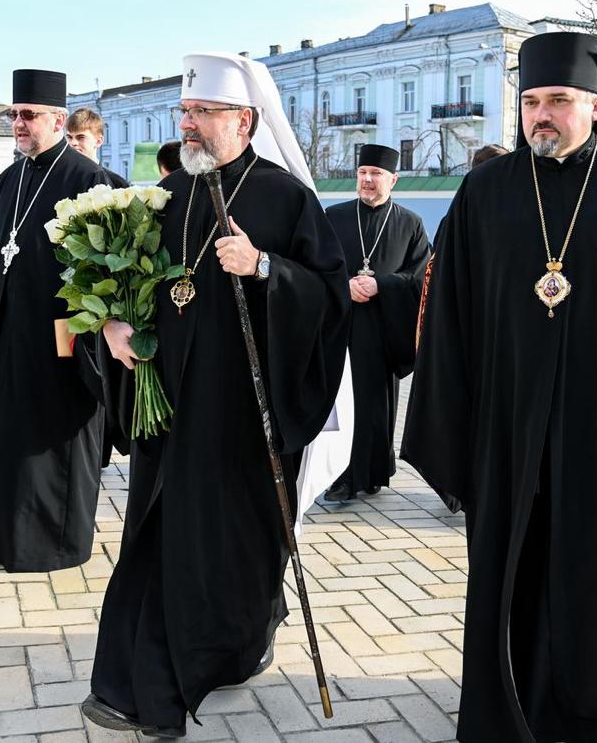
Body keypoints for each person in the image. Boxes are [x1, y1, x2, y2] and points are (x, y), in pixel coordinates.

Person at [402, 31, 597, 743]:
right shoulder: (486, 189)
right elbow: (449, 314)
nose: (541, 115)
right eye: (532, 102)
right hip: (510, 428)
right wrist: (450, 426)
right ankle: (503, 715)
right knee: (513, 572)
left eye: (559, 102)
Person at [81, 52, 350, 738]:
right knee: (159, 539)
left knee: (234, 548)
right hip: (169, 408)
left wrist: (265, 268)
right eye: (186, 112)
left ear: (246, 121)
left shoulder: (286, 198)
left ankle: (227, 648)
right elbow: (130, 287)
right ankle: (137, 682)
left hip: (239, 418)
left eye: (202, 113)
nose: (189, 125)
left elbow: (330, 297)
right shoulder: (170, 195)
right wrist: (115, 325)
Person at [0, 69, 112, 572]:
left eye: (29, 116)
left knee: (48, 447)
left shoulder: (87, 180)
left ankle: (54, 544)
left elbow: (103, 276)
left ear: (59, 120)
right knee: (1, 439)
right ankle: (4, 537)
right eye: (14, 116)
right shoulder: (7, 180)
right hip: (3, 338)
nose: (18, 124)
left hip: (58, 345)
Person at [321, 144, 429, 502]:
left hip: (383, 330)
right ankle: (341, 476)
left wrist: (381, 284)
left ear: (393, 179)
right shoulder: (333, 216)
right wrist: (343, 286)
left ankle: (374, 472)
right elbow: (315, 267)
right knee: (342, 403)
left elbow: (420, 277)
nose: (368, 180)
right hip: (341, 326)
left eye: (376, 174)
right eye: (362, 173)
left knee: (375, 406)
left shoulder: (410, 223)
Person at [66, 107, 129, 186]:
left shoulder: (117, 185)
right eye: (69, 137)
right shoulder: (58, 178)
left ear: (99, 141)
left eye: (80, 137)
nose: (73, 143)